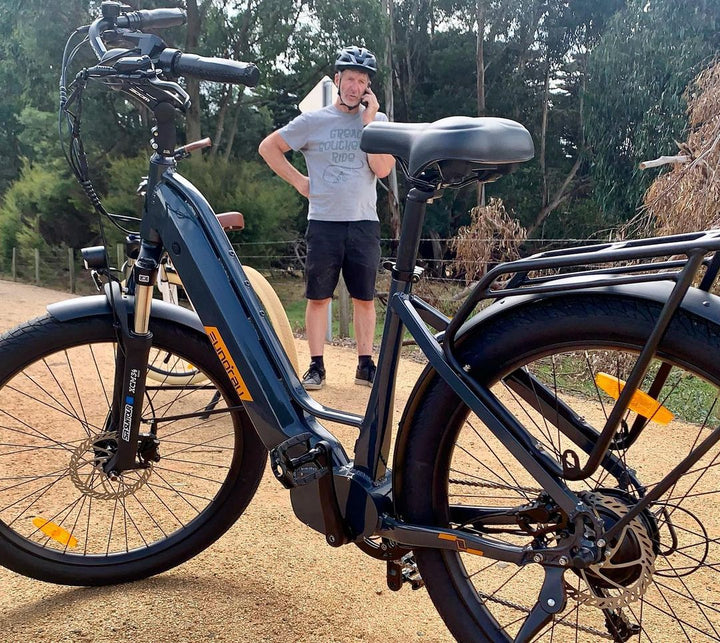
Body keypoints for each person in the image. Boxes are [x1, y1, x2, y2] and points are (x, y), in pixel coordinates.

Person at [258, 46, 395, 391]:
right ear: (337, 80)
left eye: (361, 81)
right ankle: (316, 366)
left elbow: (382, 169)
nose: (354, 86)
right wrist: (300, 183)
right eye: (349, 78)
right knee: (318, 297)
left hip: (364, 222)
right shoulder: (314, 121)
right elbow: (268, 148)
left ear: (368, 88)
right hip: (323, 222)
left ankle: (365, 365)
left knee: (365, 298)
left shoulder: (378, 123)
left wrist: (369, 123)